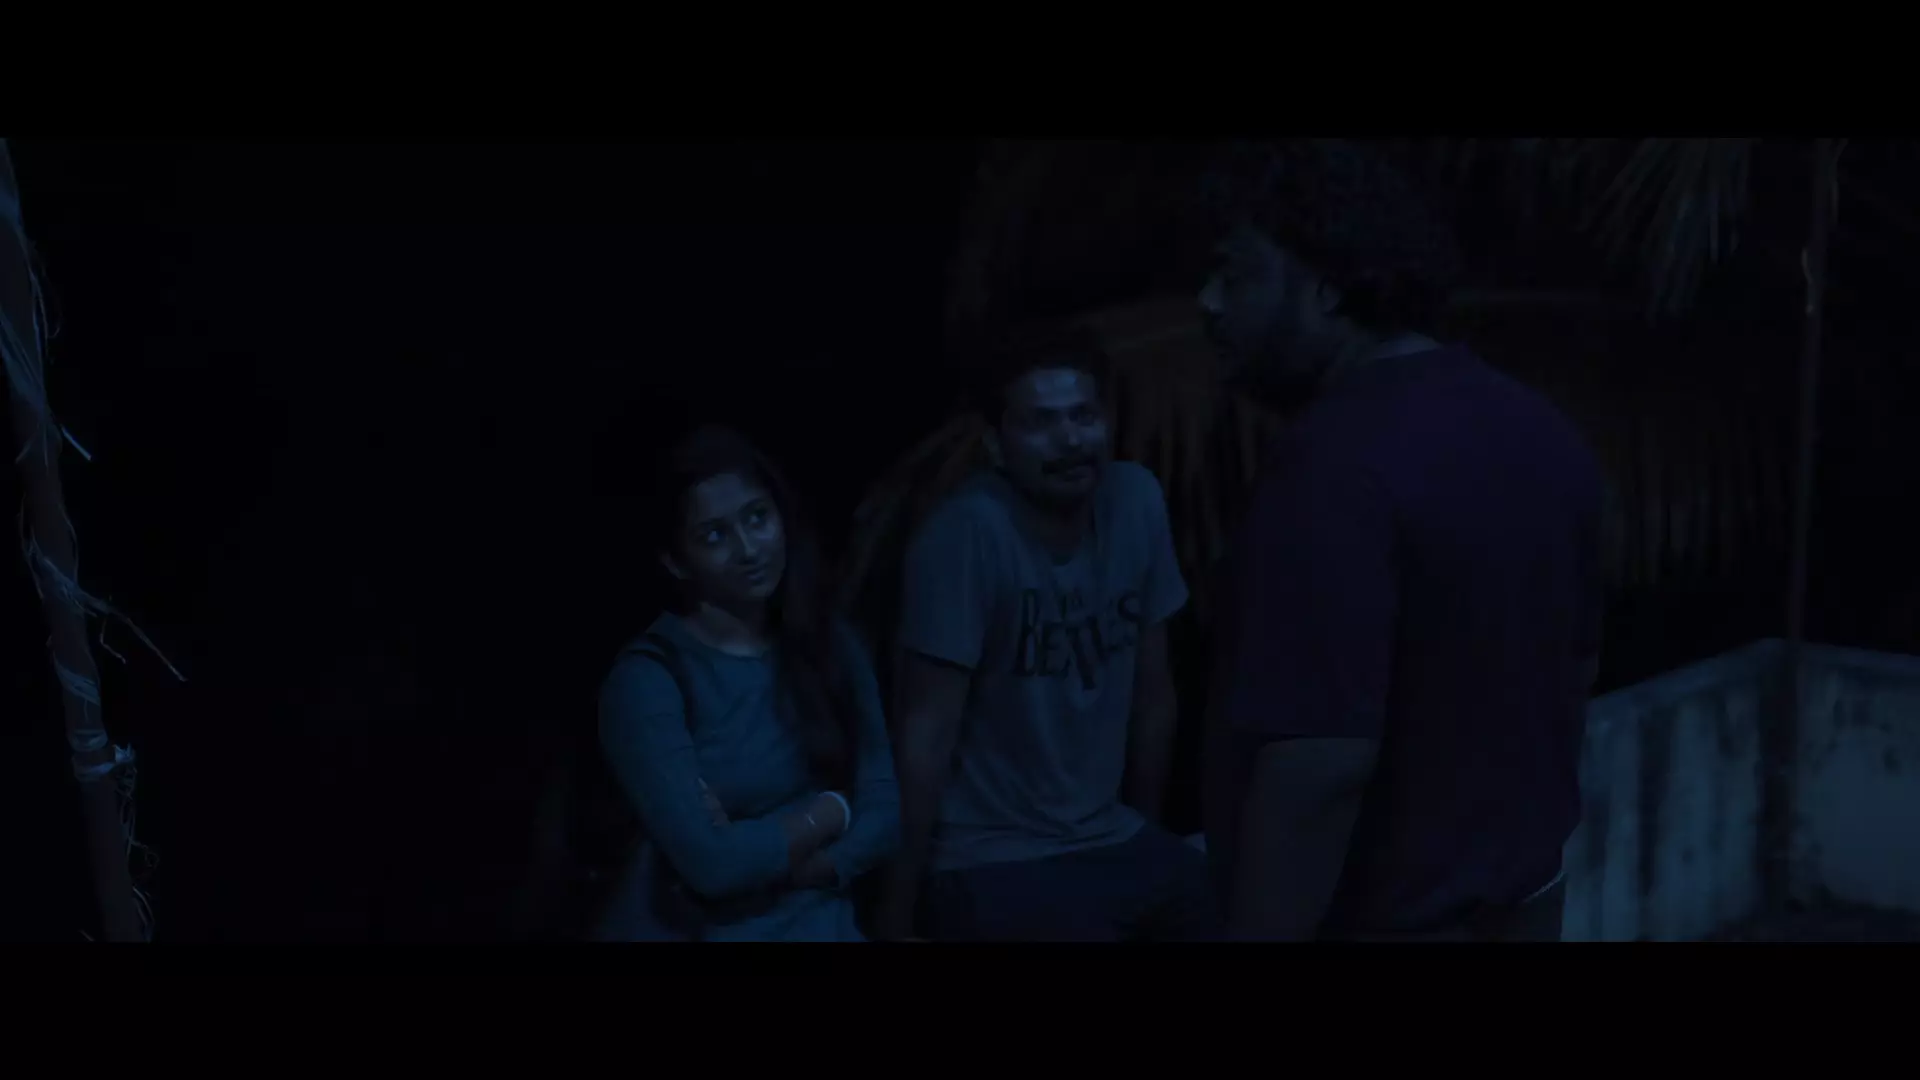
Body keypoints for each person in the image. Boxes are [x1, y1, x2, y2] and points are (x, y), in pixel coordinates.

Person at [1195, 139, 1605, 942]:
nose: (1206, 303)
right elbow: (1575, 673)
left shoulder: (1330, 466)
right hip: (1524, 905)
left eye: (1235, 275)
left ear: (1326, 289)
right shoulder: (1542, 430)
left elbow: (1320, 765)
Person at [871, 322, 1219, 942]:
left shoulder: (1135, 501)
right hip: (989, 852)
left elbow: (1154, 694)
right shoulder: (966, 536)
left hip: (1107, 832)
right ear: (996, 443)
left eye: (1084, 416)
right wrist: (896, 911)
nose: (1070, 440)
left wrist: (1147, 838)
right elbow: (924, 735)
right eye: (1041, 422)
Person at [593, 425, 900, 941]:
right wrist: (832, 810)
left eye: (757, 518)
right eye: (714, 536)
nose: (748, 549)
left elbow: (886, 811)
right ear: (675, 560)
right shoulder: (649, 680)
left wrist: (809, 862)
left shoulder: (829, 642)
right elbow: (714, 867)